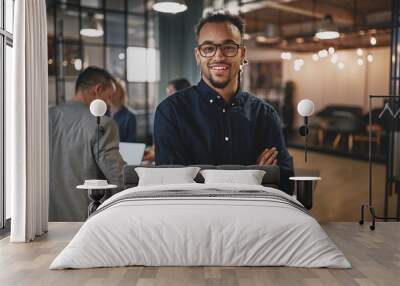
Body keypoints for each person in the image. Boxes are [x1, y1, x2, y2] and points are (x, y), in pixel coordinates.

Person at [154, 12, 294, 194]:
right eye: (208, 48)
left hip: (252, 218)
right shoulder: (170, 112)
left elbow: (286, 182)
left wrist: (201, 176)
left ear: (242, 53)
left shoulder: (265, 115)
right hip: (193, 220)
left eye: (228, 47)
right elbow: (172, 187)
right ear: (198, 55)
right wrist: (254, 174)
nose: (218, 56)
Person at [49, 66, 126, 222]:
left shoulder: (48, 117)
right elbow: (117, 178)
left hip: (44, 220)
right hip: (87, 220)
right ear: (97, 90)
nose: (110, 104)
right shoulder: (102, 124)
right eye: (109, 96)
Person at [143, 78, 192, 162]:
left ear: (181, 93)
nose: (168, 97)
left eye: (170, 92)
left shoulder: (187, 117)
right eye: (167, 93)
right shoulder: (166, 112)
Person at [106, 78, 137, 142]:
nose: (112, 95)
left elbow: (131, 142)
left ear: (121, 93)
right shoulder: (102, 112)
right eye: (110, 92)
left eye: (115, 92)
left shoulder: (130, 116)